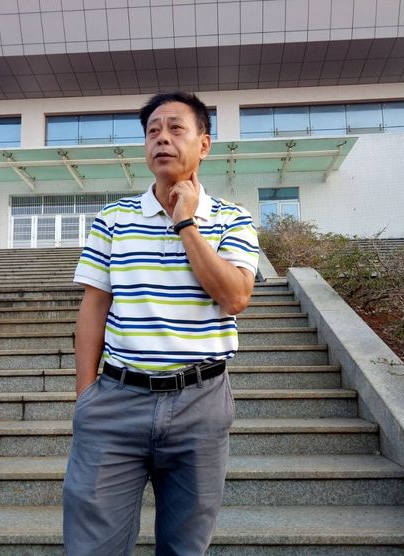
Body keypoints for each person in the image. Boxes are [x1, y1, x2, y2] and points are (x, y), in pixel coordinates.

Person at [62, 91, 259, 556]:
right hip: (116, 401)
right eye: (153, 131)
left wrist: (186, 223)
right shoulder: (113, 219)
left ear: (204, 144)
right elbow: (94, 306)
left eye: (175, 129)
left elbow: (235, 296)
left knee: (185, 548)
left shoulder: (233, 219)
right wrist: (85, 396)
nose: (162, 139)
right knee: (91, 548)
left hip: (200, 402)